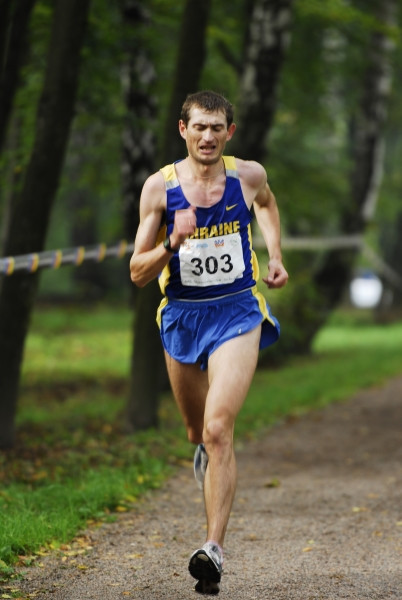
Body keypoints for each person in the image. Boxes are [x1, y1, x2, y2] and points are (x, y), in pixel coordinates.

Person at [130, 90, 288, 595]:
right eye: (199, 127)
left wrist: (276, 255)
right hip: (181, 317)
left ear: (229, 133)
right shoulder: (159, 188)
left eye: (217, 128)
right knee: (197, 433)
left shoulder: (248, 177)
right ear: (183, 130)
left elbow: (266, 203)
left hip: (237, 312)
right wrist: (172, 244)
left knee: (220, 428)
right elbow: (136, 272)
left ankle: (213, 550)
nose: (208, 136)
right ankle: (203, 451)